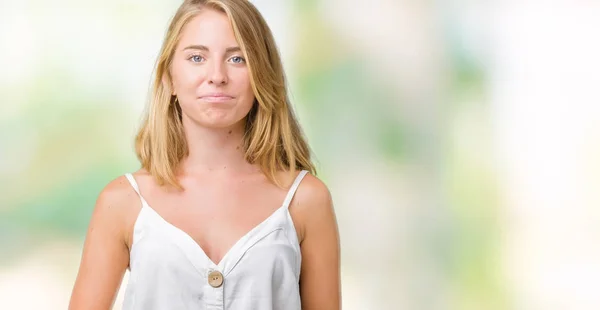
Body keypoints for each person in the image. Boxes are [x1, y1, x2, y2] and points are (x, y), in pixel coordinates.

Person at [68, 0, 341, 309]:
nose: (217, 75)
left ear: (261, 74)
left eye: (237, 58)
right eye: (197, 57)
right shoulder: (122, 202)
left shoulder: (306, 200)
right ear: (169, 77)